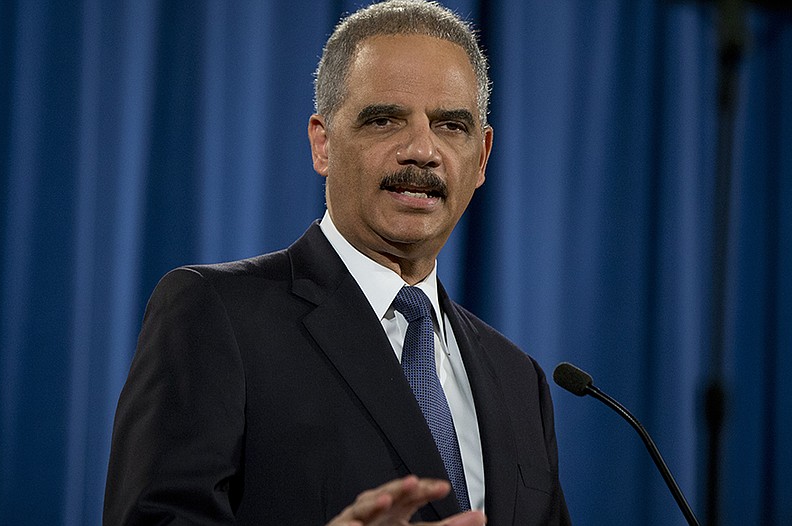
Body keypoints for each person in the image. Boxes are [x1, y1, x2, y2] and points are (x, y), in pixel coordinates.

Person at [103, 1, 570, 525]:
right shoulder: (216, 316)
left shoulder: (518, 379)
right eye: (384, 119)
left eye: (450, 126)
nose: (422, 150)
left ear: (481, 158)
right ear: (323, 144)